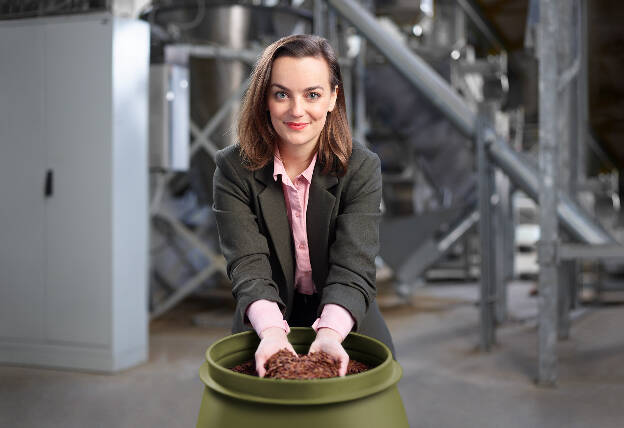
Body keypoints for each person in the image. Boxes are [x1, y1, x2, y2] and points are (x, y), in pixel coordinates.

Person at [213, 34, 394, 378]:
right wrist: (270, 332)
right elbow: (248, 265)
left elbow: (354, 266)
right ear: (265, 99)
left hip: (344, 317)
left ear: (332, 98)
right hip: (264, 319)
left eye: (312, 94)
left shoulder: (361, 167)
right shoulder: (232, 169)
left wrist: (329, 334)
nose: (297, 111)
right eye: (282, 94)